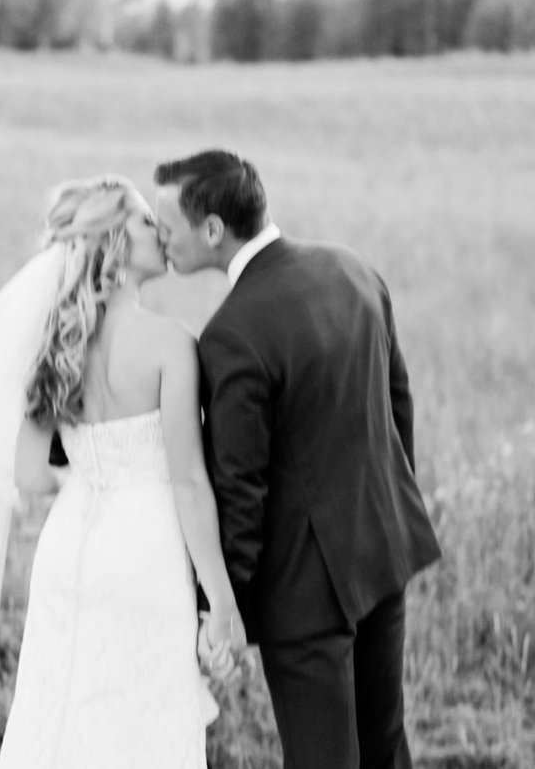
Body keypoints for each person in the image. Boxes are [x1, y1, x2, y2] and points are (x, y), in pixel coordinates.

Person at [0, 175, 246, 769]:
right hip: (146, 554)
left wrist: (88, 482)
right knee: (141, 719)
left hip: (68, 547)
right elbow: (187, 483)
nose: (159, 231)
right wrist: (222, 601)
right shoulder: (170, 345)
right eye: (141, 222)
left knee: (58, 710)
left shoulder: (52, 341)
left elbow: (30, 474)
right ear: (110, 242)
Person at [154, 150, 442, 769]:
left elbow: (240, 490)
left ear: (211, 230)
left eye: (167, 226)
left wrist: (218, 606)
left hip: (305, 595)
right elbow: (398, 403)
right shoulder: (351, 268)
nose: (161, 239)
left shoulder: (232, 333)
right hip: (381, 551)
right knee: (386, 747)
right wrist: (392, 509)